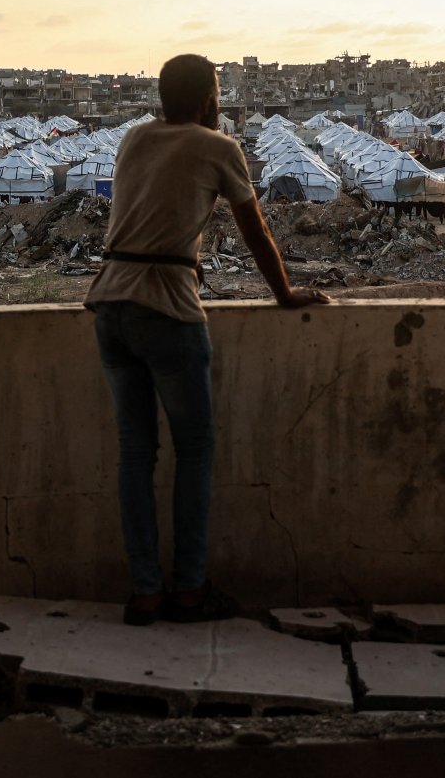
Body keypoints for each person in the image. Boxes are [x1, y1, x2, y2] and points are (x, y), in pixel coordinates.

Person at [85, 54, 329, 626]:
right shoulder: (218, 147)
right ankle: (189, 591)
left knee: (135, 455)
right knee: (194, 451)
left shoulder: (133, 139)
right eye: (218, 91)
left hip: (111, 304)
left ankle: (145, 592)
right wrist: (285, 294)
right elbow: (257, 231)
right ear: (205, 100)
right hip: (166, 308)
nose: (221, 101)